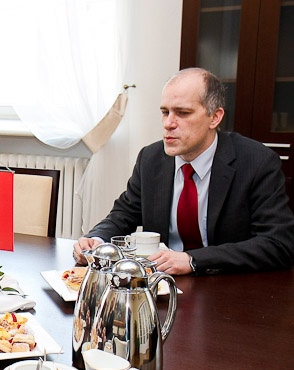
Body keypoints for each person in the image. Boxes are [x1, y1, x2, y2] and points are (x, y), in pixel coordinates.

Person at [73, 67, 294, 275]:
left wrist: (193, 260)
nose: (168, 123)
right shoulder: (150, 159)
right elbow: (123, 214)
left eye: (183, 113)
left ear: (215, 117)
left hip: (227, 284)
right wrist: (97, 240)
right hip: (163, 283)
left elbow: (278, 244)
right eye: (165, 112)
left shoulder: (257, 162)